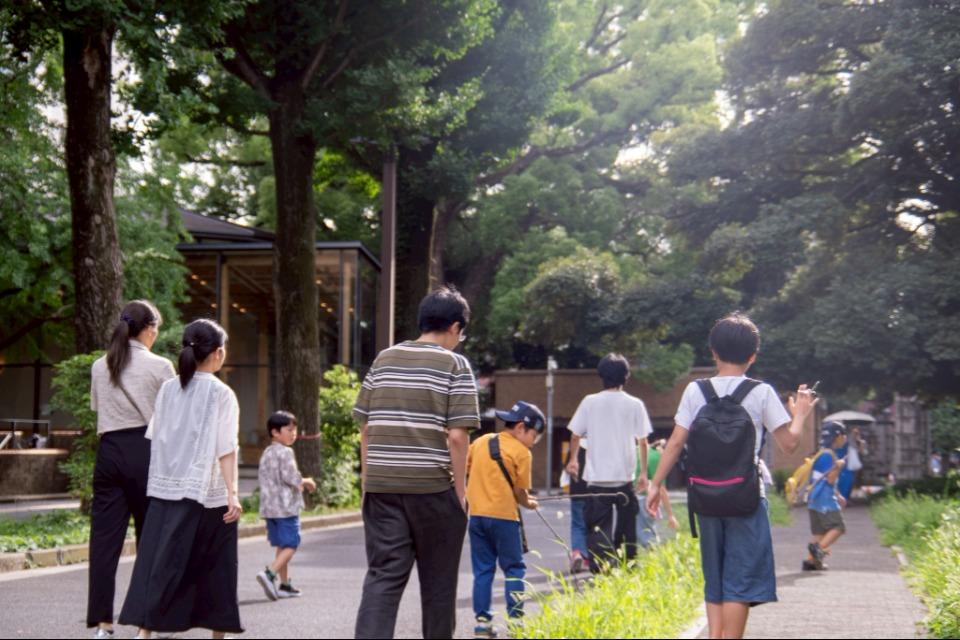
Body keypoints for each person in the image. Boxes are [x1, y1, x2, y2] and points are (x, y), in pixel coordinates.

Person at [646, 314, 818, 640]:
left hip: (705, 496)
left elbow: (676, 442)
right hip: (746, 497)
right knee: (740, 580)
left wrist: (656, 484)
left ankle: (715, 635)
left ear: (713, 352)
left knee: (715, 573)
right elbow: (789, 443)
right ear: (753, 356)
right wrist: (800, 415)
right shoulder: (761, 392)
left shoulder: (695, 390)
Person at [353, 285, 480, 640]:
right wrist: (460, 494)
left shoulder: (384, 359)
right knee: (439, 585)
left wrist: (368, 483)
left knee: (382, 578)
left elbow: (366, 428)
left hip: (382, 489)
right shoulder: (455, 364)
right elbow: (458, 437)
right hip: (433, 490)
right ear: (455, 327)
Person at [118, 319, 243, 639]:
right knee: (217, 567)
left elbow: (156, 437)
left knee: (159, 562)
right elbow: (226, 449)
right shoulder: (222, 393)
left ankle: (144, 633)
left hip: (165, 489)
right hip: (207, 492)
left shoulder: (169, 389)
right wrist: (233, 493)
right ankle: (218, 636)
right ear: (218, 353)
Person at [87, 300, 175, 639]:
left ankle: (103, 625)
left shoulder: (100, 365)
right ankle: (146, 624)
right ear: (149, 329)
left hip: (109, 451)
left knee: (103, 542)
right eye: (156, 329)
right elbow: (172, 418)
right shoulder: (160, 366)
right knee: (149, 540)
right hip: (146, 451)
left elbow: (99, 407)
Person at [565, 353, 652, 572]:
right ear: (626, 376)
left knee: (597, 530)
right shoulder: (635, 404)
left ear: (601, 376)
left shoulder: (590, 402)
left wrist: (574, 459)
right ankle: (627, 569)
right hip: (624, 479)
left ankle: (602, 571)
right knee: (627, 529)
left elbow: (575, 435)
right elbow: (643, 441)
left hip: (597, 480)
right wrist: (643, 473)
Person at [466, 401, 545, 639]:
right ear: (521, 428)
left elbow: (464, 468)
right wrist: (530, 503)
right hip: (505, 519)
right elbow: (520, 494)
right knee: (514, 569)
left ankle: (483, 624)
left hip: (477, 518)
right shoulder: (522, 453)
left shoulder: (481, 442)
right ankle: (516, 622)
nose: (533, 442)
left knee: (483, 571)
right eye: (534, 436)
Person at [256, 411, 317, 600]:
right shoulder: (286, 452)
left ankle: (284, 585)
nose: (294, 433)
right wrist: (306, 481)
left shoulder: (267, 452)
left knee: (282, 546)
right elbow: (291, 477)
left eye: (295, 430)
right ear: (275, 432)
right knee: (291, 544)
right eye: (289, 430)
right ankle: (269, 573)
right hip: (286, 508)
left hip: (270, 508)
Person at [803, 421, 848, 571]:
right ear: (837, 436)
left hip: (813, 499)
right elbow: (830, 479)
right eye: (843, 434)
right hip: (825, 501)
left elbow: (820, 478)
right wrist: (839, 466)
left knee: (820, 533)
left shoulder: (820, 453)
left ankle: (810, 562)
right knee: (838, 527)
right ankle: (818, 551)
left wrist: (838, 494)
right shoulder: (829, 455)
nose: (845, 438)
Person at [636, 439, 678, 548]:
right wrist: (671, 516)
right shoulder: (656, 457)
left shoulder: (639, 450)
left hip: (623, 495)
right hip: (641, 500)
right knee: (649, 541)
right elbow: (661, 489)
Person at [563, 438, 590, 573]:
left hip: (577, 492)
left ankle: (577, 553)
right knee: (592, 525)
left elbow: (567, 467)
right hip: (594, 492)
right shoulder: (598, 446)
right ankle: (588, 558)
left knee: (578, 524)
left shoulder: (575, 448)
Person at [837, 425, 865, 500]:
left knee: (848, 482)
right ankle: (843, 498)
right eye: (854, 433)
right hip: (844, 465)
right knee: (845, 482)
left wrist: (859, 442)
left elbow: (861, 451)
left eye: (856, 433)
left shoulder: (856, 442)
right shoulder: (846, 441)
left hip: (848, 466)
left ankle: (844, 498)